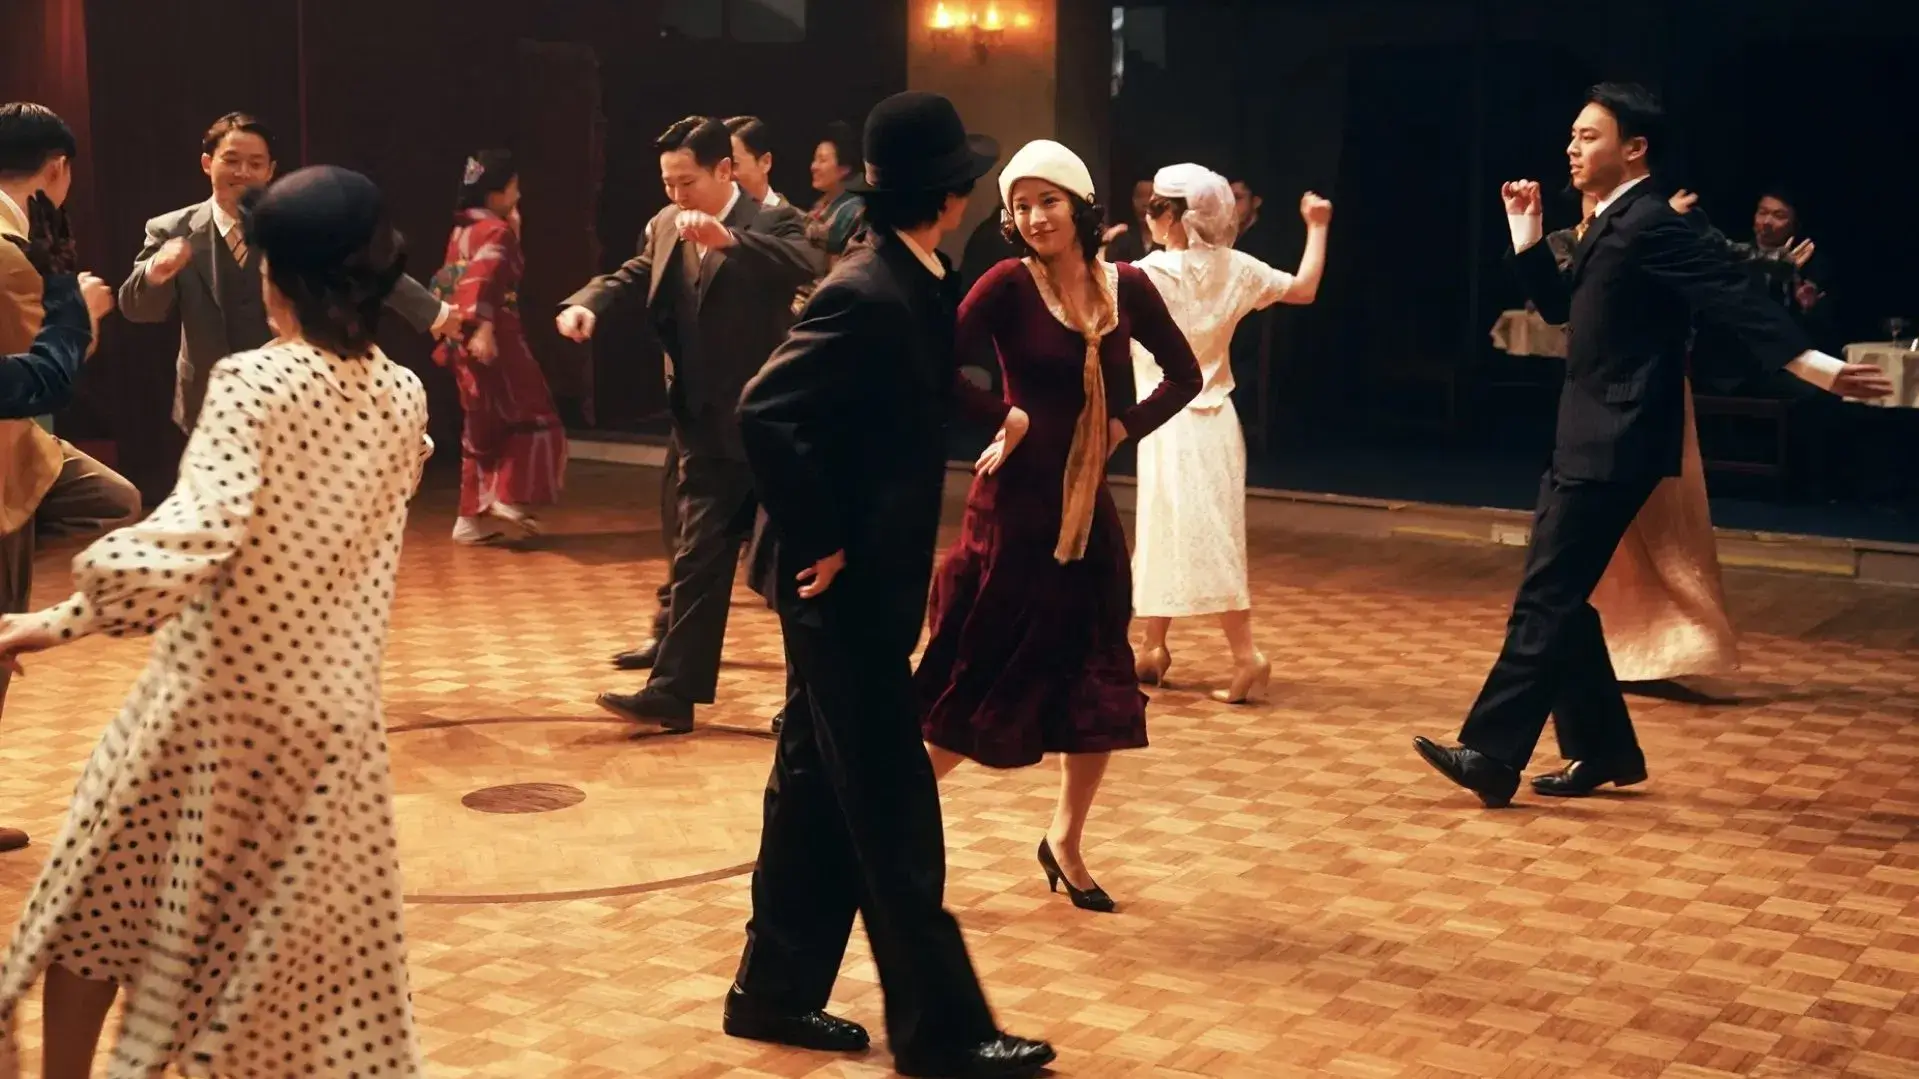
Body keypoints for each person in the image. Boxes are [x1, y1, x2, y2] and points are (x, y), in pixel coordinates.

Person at [0, 165, 434, 1079]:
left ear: (280, 274)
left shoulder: (254, 380)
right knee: (266, 964)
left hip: (218, 718)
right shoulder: (403, 393)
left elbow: (199, 533)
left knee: (95, 909)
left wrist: (69, 607)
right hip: (335, 733)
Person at [1413, 83, 1892, 808]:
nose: (1571, 148)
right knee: (1560, 597)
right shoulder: (1610, 218)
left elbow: (1731, 292)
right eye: (1571, 136)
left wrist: (1815, 367)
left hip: (1619, 432)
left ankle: (1491, 753)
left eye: (1588, 136)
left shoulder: (1651, 222)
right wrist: (1525, 229)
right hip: (1586, 430)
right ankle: (1604, 748)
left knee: (1546, 594)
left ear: (1634, 148)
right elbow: (1558, 308)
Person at [729, 89, 1055, 1079]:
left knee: (813, 780)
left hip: (860, 583)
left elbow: (902, 392)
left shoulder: (912, 279)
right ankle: (941, 1031)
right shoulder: (867, 289)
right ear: (951, 195)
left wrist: (991, 409)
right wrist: (819, 537)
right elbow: (764, 410)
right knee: (890, 800)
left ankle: (771, 990)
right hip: (842, 588)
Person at [916, 140, 1201, 913]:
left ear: (1079, 204)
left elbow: (1185, 375)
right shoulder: (1008, 284)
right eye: (1020, 205)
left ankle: (1065, 841)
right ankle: (884, 826)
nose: (1035, 216)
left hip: (1084, 517)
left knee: (1094, 684)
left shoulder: (1125, 285)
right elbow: (933, 364)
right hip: (1011, 513)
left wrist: (1121, 428)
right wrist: (1002, 413)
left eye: (1048, 200)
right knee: (979, 674)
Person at [559, 116, 822, 729]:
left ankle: (808, 705)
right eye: (668, 183)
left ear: (724, 170)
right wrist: (587, 303)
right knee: (697, 561)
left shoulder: (772, 220)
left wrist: (730, 240)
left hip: (771, 429)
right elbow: (633, 274)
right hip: (703, 427)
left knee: (789, 574)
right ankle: (673, 693)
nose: (677, 195)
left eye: (687, 182)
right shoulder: (664, 224)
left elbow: (809, 260)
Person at [1127, 164, 1330, 702]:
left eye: (1156, 207)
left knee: (1205, 538)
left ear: (1179, 217)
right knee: (1165, 530)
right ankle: (1152, 646)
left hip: (1171, 420)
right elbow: (1304, 289)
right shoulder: (1235, 268)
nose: (1148, 215)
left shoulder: (1147, 274)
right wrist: (1317, 226)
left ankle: (1247, 655)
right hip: (1214, 422)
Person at [118, 112, 458, 432]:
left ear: (270, 171)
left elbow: (364, 264)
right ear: (208, 163)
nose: (243, 172)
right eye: (231, 161)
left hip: (293, 391)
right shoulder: (171, 229)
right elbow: (136, 309)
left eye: (255, 164)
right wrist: (156, 272)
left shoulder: (294, 222)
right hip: (208, 399)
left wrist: (436, 313)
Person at [0, 102, 141, 855]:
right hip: (6, 461)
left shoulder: (18, 238)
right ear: (57, 167)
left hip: (26, 452)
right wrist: (79, 309)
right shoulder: (9, 251)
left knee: (113, 498)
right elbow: (39, 378)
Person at [1545, 188, 1740, 688]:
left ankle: (1674, 644)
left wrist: (1776, 261)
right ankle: (1613, 651)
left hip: (1652, 398)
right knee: (1595, 547)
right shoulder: (1570, 241)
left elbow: (1722, 266)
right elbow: (1562, 296)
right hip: (1595, 404)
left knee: (1667, 526)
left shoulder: (1659, 225)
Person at [431, 150, 567, 544]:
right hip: (494, 335)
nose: (518, 195)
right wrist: (485, 328)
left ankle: (469, 519)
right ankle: (507, 495)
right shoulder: (495, 231)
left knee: (481, 425)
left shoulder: (462, 230)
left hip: (461, 335)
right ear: (496, 192)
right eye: (513, 188)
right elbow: (485, 278)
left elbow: (453, 283)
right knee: (531, 412)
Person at [804, 120, 865, 261]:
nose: (813, 166)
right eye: (814, 159)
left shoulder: (854, 210)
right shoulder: (823, 203)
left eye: (822, 160)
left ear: (844, 169)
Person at [726, 115, 786, 208]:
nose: (722, 175)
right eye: (715, 166)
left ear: (765, 162)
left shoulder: (793, 217)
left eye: (733, 164)